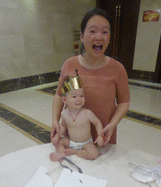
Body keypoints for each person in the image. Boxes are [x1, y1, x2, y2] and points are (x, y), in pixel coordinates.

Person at [51, 8, 130, 147]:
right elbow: (59, 95)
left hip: (103, 135)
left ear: (109, 38)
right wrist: (55, 121)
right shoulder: (70, 65)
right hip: (73, 138)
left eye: (105, 32)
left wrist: (112, 125)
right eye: (92, 31)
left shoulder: (117, 69)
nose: (99, 37)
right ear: (82, 36)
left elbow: (124, 102)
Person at [50, 77, 104, 161]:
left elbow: (97, 123)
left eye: (81, 96)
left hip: (86, 143)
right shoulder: (64, 113)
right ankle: (61, 154)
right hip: (71, 141)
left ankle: (74, 152)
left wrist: (100, 135)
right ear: (64, 100)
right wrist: (57, 136)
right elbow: (63, 127)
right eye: (74, 96)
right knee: (58, 142)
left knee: (93, 153)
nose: (79, 99)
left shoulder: (87, 113)